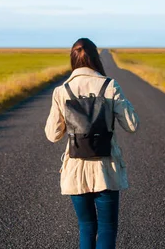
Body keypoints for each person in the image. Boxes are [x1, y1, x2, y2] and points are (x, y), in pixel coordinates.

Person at [45, 38, 139, 249]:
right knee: (107, 228)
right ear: (96, 58)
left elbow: (53, 135)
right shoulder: (110, 85)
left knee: (86, 227)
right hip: (107, 168)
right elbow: (132, 125)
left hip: (76, 170)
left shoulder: (62, 91)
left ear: (73, 59)